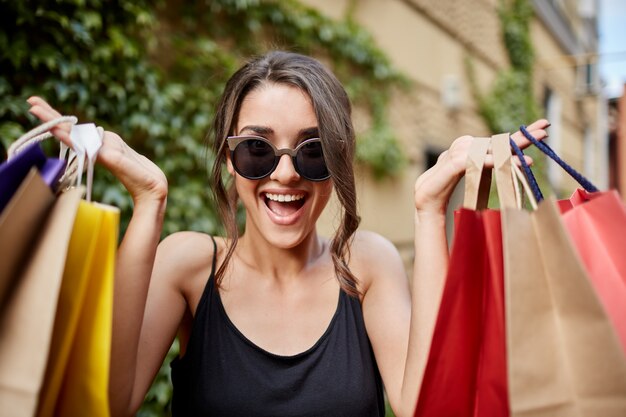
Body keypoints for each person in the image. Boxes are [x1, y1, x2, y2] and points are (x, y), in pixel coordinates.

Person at [28, 50, 549, 417]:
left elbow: (422, 404)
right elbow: (110, 404)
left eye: (312, 150)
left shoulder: (366, 265)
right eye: (257, 149)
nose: (285, 174)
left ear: (339, 161)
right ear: (229, 160)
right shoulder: (188, 266)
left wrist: (431, 211)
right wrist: (149, 201)